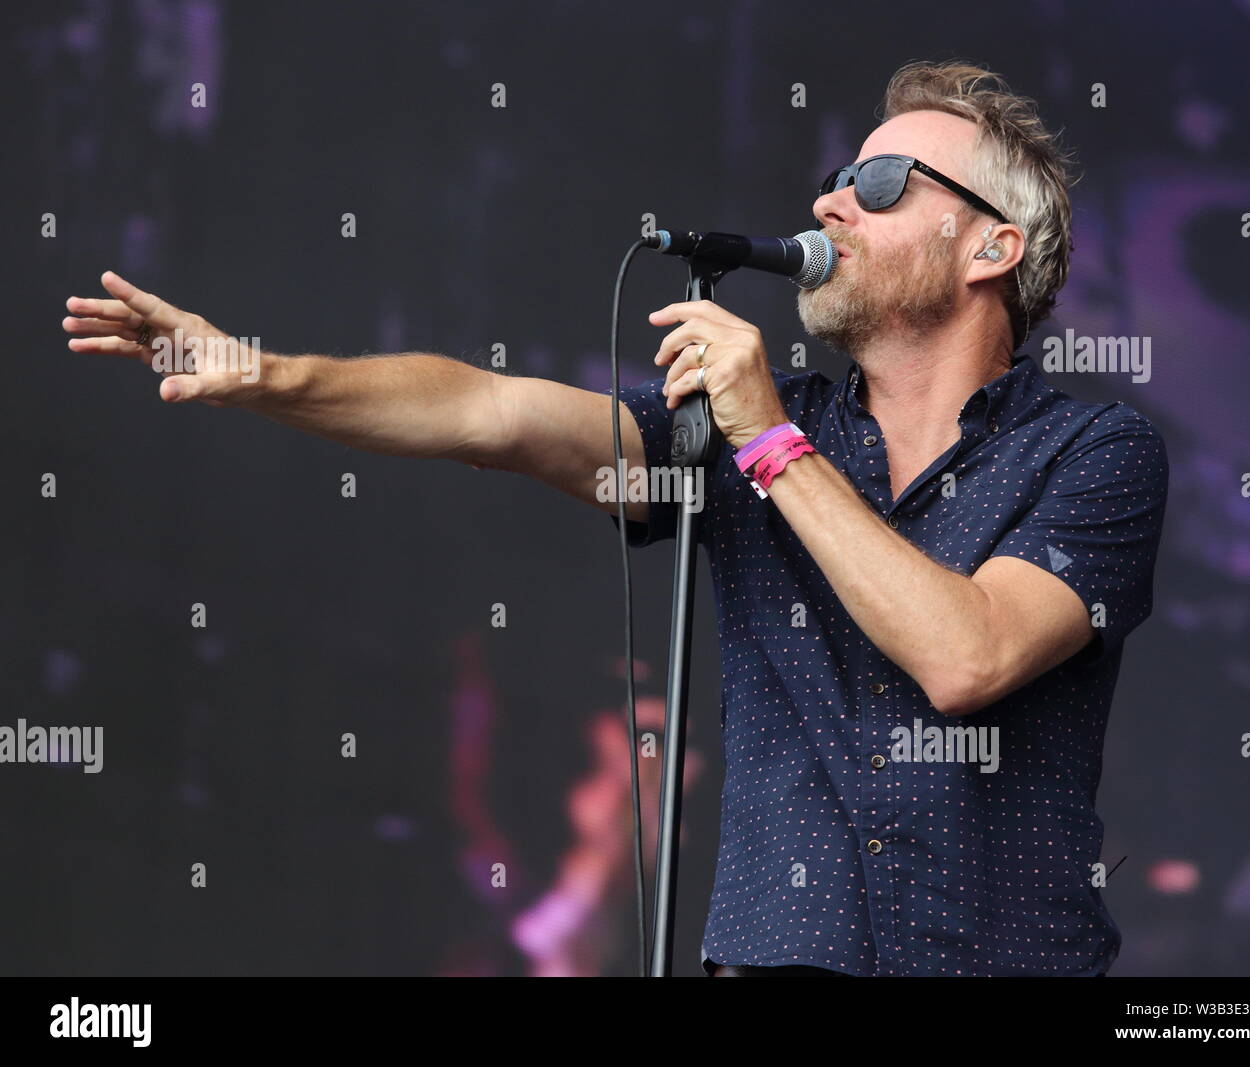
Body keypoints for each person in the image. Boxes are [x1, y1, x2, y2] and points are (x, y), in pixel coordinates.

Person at [62, 60, 1166, 977]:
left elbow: (966, 655)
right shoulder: (735, 433)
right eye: (834, 176)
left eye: (879, 183)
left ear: (990, 247)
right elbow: (485, 409)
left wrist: (770, 443)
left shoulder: (1094, 454)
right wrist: (262, 370)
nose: (829, 203)